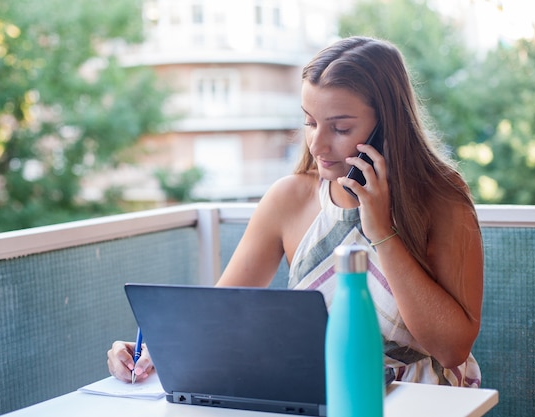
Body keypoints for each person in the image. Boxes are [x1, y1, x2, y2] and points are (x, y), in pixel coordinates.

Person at [107, 36, 483, 388]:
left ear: (387, 125)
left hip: (423, 395)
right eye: (309, 121)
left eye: (340, 127)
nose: (318, 143)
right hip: (321, 391)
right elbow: (215, 319)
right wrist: (153, 349)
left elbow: (451, 351)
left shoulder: (442, 198)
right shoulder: (290, 198)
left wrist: (382, 230)